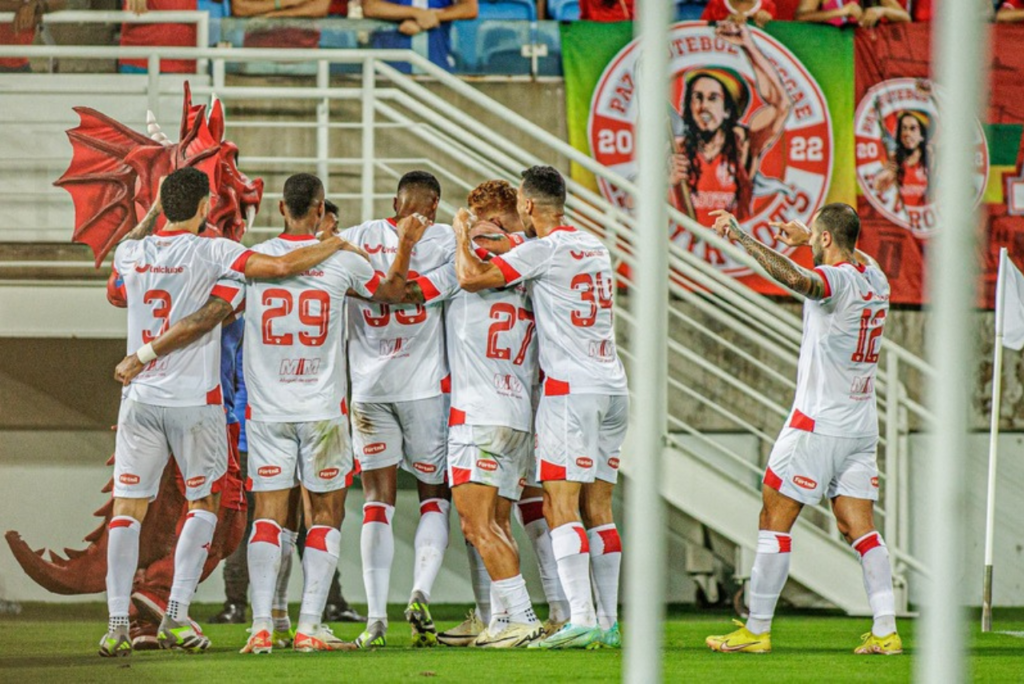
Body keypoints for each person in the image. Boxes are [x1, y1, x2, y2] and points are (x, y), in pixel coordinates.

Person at [100, 167, 360, 658]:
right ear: (203, 208)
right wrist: (332, 245)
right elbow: (280, 269)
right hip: (196, 402)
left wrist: (153, 209)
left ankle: (116, 623)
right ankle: (176, 614)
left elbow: (118, 281)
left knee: (126, 512)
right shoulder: (214, 250)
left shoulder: (132, 251)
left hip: (138, 400)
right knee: (204, 506)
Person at [703, 204, 901, 656]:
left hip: (817, 423)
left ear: (827, 239)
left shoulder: (839, 281)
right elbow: (849, 253)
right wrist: (805, 240)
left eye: (814, 235)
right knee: (860, 527)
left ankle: (755, 629)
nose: (810, 240)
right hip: (860, 425)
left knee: (774, 517)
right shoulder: (875, 278)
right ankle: (886, 630)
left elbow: (798, 280)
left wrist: (740, 236)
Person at [454, 166, 628, 650]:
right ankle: (608, 622)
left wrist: (461, 233)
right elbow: (517, 250)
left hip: (570, 390)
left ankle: (580, 617)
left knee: (559, 503)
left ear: (527, 207)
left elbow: (472, 277)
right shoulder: (593, 245)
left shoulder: (541, 249)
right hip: (613, 385)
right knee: (600, 507)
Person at [429, 181, 570, 647]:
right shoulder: (533, 260)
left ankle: (521, 618)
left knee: (475, 524)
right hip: (517, 413)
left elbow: (414, 292)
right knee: (497, 522)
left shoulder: (470, 258)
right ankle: (506, 617)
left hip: (478, 412)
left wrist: (457, 233)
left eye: (478, 216)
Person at [339, 171, 456, 649]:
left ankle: (375, 620)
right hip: (423, 389)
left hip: (369, 390)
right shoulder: (446, 240)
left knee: (376, 502)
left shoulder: (357, 239)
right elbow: (406, 292)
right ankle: (419, 592)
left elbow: (327, 263)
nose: (421, 218)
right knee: (434, 495)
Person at [668, 21, 791, 228]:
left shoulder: (743, 144)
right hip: (687, 253)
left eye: (713, 98)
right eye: (697, 98)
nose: (703, 106)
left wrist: (748, 46)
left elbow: (780, 104)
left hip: (733, 253)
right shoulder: (676, 147)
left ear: (727, 109)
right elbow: (629, 203)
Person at [363, 0, 478, 73]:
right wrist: (416, 13)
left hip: (437, 62)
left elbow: (470, 8)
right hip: (390, 67)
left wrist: (430, 18)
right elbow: (370, 6)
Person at [872, 110, 932, 212]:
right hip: (901, 219)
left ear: (922, 134)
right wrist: (884, 175)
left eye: (913, 129)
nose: (907, 133)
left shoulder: (931, 159)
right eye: (904, 128)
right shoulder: (895, 159)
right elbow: (878, 187)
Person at [0, 0, 64, 73]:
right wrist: (23, 7)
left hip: (20, 64)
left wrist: (38, 6)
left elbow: (61, 3)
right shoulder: (26, 5)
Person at [794, 0, 910, 27]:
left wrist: (883, 11)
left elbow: (906, 18)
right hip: (831, 50)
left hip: (867, 54)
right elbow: (800, 17)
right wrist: (840, 12)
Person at [701, 0, 777, 26]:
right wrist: (723, 23)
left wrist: (768, 21)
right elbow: (701, 30)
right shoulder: (716, 4)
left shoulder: (768, 7)